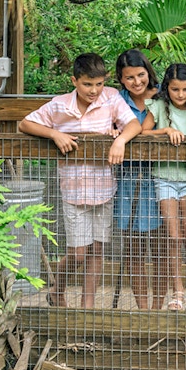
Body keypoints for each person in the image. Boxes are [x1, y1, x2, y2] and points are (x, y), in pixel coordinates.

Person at [18, 53, 141, 309]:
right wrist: (54, 134)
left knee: (97, 249)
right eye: (87, 84)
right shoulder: (59, 105)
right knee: (78, 252)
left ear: (105, 80)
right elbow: (25, 123)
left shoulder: (111, 98)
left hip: (104, 188)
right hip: (73, 190)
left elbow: (133, 125)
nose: (93, 90)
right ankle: (57, 289)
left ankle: (88, 306)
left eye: (98, 84)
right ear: (75, 81)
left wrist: (119, 140)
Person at [141, 63, 186, 311]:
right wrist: (165, 130)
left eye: (185, 89)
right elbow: (143, 132)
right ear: (167, 88)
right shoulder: (159, 107)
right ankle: (178, 292)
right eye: (175, 89)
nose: (180, 95)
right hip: (163, 177)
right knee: (173, 235)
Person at [114, 49, 168, 310]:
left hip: (160, 176)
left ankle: (158, 307)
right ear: (121, 80)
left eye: (140, 75)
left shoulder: (164, 95)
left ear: (148, 72)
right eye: (129, 77)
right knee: (134, 248)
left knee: (161, 247)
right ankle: (142, 309)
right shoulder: (116, 100)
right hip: (128, 178)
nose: (137, 82)